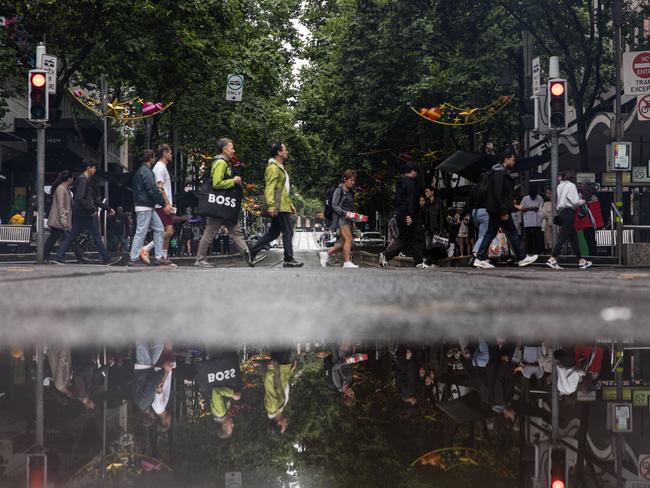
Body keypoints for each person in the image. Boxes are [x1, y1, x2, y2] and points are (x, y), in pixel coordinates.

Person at [473, 150, 538, 269]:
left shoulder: (496, 172)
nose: (514, 162)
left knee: (491, 233)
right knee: (512, 232)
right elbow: (499, 194)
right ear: (506, 160)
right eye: (512, 159)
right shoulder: (500, 173)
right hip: (499, 210)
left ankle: (479, 258)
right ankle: (522, 258)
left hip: (494, 209)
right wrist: (503, 211)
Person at [195, 138, 251, 267]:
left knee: (236, 231)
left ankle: (248, 256)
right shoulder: (220, 163)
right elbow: (217, 183)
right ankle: (200, 259)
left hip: (224, 205)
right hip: (219, 205)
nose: (233, 150)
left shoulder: (224, 163)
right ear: (225, 149)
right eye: (231, 148)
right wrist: (234, 181)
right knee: (210, 231)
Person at [51, 161, 121, 265]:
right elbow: (79, 198)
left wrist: (107, 208)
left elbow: (93, 199)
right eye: (94, 168)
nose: (95, 170)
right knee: (96, 235)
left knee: (72, 235)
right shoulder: (83, 180)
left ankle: (58, 256)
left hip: (82, 214)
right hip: (85, 214)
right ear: (88, 168)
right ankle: (106, 259)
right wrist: (91, 209)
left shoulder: (86, 180)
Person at [248, 142, 303, 268]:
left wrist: (290, 204)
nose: (287, 152)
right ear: (279, 152)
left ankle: (252, 251)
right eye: (285, 150)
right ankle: (288, 258)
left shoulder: (280, 167)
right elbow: (270, 187)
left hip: (283, 204)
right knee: (288, 230)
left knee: (273, 233)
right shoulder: (273, 168)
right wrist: (271, 205)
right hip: (278, 205)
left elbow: (283, 189)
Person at [379, 162, 428, 268]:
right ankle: (418, 262)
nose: (417, 174)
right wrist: (409, 215)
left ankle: (386, 256)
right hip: (408, 215)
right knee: (416, 236)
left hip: (400, 213)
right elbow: (410, 201)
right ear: (413, 171)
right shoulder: (410, 183)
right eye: (416, 172)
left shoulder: (400, 182)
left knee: (405, 238)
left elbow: (398, 200)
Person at [129, 150, 172, 266]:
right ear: (151, 158)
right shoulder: (146, 172)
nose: (155, 159)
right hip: (145, 206)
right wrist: (163, 203)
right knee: (141, 231)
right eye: (154, 157)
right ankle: (133, 258)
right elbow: (152, 189)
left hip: (146, 206)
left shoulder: (141, 171)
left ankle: (158, 257)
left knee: (159, 228)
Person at [547, 170, 592, 270]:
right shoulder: (571, 186)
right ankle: (552, 258)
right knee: (562, 237)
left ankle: (581, 261)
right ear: (572, 178)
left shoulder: (560, 186)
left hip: (562, 212)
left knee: (574, 239)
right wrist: (584, 200)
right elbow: (575, 201)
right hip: (569, 213)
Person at [140, 144, 175, 265]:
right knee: (168, 231)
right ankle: (146, 249)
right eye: (170, 152)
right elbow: (159, 187)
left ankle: (163, 258)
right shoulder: (160, 167)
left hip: (163, 204)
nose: (171, 155)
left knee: (168, 231)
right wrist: (167, 204)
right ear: (165, 153)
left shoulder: (162, 167)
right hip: (161, 205)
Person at [44, 170, 87, 263]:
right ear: (69, 179)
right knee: (66, 238)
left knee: (60, 238)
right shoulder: (61, 189)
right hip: (60, 220)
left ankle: (46, 256)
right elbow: (61, 206)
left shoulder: (66, 188)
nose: (73, 180)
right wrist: (64, 221)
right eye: (72, 178)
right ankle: (79, 257)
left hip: (63, 220)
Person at [319, 169, 358, 268]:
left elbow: (350, 207)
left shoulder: (350, 192)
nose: (353, 183)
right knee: (349, 238)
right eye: (351, 180)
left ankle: (326, 254)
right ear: (345, 179)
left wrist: (353, 219)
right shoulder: (339, 190)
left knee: (342, 242)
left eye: (354, 180)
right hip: (341, 219)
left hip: (348, 219)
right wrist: (345, 213)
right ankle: (347, 262)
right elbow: (334, 205)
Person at [132, 343, 173, 432]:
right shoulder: (140, 403)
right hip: (145, 370)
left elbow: (155, 386)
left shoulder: (149, 404)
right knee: (157, 345)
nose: (153, 415)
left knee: (142, 342)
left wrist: (164, 371)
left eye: (169, 422)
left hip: (145, 369)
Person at [264, 350, 295, 434]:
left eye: (285, 426)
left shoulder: (272, 407)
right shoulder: (279, 408)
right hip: (283, 367)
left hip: (278, 365)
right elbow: (282, 384)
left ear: (279, 424)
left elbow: (269, 385)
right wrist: (290, 371)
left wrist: (272, 369)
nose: (286, 424)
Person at [575, 182, 603, 257]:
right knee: (590, 239)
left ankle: (592, 255)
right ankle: (592, 254)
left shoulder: (586, 197)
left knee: (589, 239)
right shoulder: (593, 197)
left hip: (587, 222)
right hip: (592, 222)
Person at [520, 187, 544, 255]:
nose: (533, 198)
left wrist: (536, 209)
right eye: (532, 196)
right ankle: (529, 253)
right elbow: (521, 209)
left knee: (537, 239)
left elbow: (541, 209)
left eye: (534, 196)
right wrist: (528, 208)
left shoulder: (540, 198)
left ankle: (537, 253)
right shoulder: (525, 199)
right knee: (528, 239)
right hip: (528, 223)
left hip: (537, 223)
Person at [423, 186, 446, 251]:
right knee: (428, 247)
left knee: (436, 247)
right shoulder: (426, 203)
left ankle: (434, 260)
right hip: (427, 229)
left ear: (432, 192)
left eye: (427, 191)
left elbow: (442, 216)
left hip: (436, 229)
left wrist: (441, 229)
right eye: (425, 192)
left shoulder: (439, 202)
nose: (425, 193)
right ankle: (430, 260)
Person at [540, 188, 553, 252]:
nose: (548, 195)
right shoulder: (544, 203)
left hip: (555, 223)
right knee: (547, 238)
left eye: (549, 193)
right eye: (547, 193)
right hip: (547, 223)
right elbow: (543, 213)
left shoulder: (556, 202)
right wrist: (550, 215)